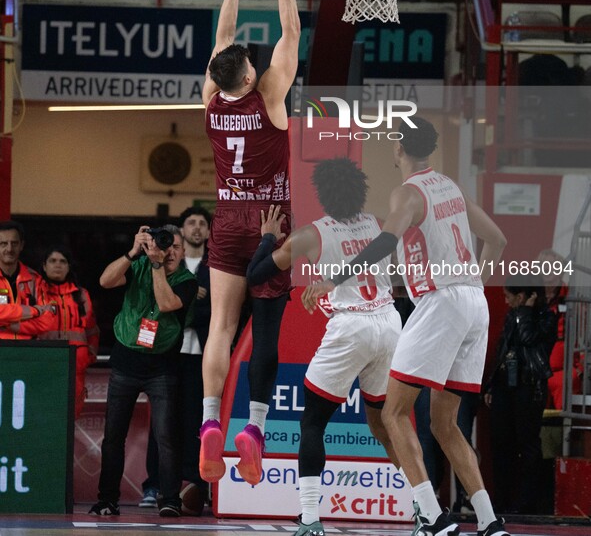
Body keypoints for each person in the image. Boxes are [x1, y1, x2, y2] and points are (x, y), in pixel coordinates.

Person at [302, 117, 508, 536]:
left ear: (398, 146)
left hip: (440, 303)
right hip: (474, 304)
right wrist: (473, 283)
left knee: (394, 414)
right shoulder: (450, 185)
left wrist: (334, 278)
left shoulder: (408, 193)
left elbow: (384, 242)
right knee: (444, 424)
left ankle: (431, 516)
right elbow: (498, 239)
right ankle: (489, 522)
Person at [246, 158, 405, 536]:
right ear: (360, 190)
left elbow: (255, 275)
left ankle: (309, 516)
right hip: (388, 323)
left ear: (322, 195)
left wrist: (268, 236)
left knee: (313, 421)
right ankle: (423, 505)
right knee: (387, 424)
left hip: (351, 327)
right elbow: (395, 272)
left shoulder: (309, 235)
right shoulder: (378, 224)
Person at [199, 0, 300, 487]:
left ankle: (210, 421)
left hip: (227, 220)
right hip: (271, 224)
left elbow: (222, 36)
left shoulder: (210, 99)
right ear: (251, 77)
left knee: (219, 326)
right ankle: (254, 430)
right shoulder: (270, 97)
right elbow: (291, 31)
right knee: (265, 334)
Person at [89, 224, 199, 518]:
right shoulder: (137, 264)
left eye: (176, 247)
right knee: (113, 435)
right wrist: (132, 252)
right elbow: (105, 281)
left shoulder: (187, 281)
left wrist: (156, 264)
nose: (170, 251)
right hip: (125, 361)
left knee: (166, 436)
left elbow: (165, 303)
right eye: (166, 245)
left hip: (162, 366)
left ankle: (170, 499)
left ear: (184, 251)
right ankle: (107, 500)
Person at [139, 207, 212, 514]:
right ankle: (153, 484)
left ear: (209, 232)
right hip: (168, 353)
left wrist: (189, 306)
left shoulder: (215, 267)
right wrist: (186, 301)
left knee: (196, 422)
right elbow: (155, 305)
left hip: (201, 357)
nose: (196, 228)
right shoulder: (166, 265)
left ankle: (196, 485)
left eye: (202, 223)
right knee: (162, 422)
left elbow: (224, 312)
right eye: (190, 223)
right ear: (179, 234)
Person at [484, 276, 557, 514]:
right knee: (501, 445)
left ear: (523, 296)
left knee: (527, 444)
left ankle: (527, 503)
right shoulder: (510, 317)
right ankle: (501, 501)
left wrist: (525, 313)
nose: (505, 301)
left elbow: (528, 339)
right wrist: (491, 385)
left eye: (509, 296)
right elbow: (502, 349)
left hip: (529, 387)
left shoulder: (546, 318)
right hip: (506, 385)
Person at [33, 246, 99, 419]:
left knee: (70, 419)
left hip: (75, 368)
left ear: (69, 266)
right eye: (53, 261)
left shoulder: (82, 295)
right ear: (44, 266)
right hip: (43, 367)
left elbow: (92, 329)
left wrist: (90, 353)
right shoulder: (35, 293)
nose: (58, 265)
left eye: (63, 261)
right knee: (42, 417)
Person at [537, 248, 582, 409]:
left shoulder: (572, 297)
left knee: (565, 382)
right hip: (535, 367)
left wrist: (580, 369)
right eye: (544, 266)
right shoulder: (531, 296)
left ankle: (564, 433)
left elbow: (584, 332)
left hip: (562, 369)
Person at [0, 220, 55, 340]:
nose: (9, 249)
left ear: (21, 245)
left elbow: (47, 321)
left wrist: (14, 326)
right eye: (3, 244)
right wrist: (34, 310)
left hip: (26, 352)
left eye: (14, 243)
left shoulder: (35, 280)